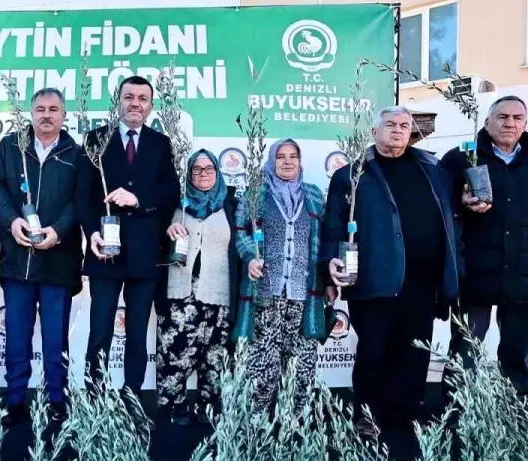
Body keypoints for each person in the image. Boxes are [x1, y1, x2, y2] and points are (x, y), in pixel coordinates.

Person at [323, 107, 461, 433]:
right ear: (374, 132)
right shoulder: (351, 175)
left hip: (423, 282)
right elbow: (333, 226)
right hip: (373, 281)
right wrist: (329, 263)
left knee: (414, 352)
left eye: (403, 125)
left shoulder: (433, 170)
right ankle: (368, 416)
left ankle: (406, 415)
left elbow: (452, 220)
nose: (398, 130)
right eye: (390, 124)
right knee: (373, 352)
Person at [440, 96, 528, 395]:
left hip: (526, 268)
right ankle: (456, 411)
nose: (510, 123)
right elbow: (438, 208)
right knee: (466, 348)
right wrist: (460, 203)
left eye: (517, 118)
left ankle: (516, 411)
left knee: (517, 352)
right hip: (475, 267)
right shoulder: (461, 158)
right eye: (502, 117)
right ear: (487, 122)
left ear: (525, 124)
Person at [0, 88, 86, 425]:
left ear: (64, 115)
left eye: (54, 109)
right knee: (16, 336)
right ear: (31, 113)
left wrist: (59, 230)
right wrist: (11, 221)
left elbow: (80, 200)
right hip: (17, 260)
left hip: (58, 259)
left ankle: (56, 399)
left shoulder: (77, 154)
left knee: (55, 338)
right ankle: (15, 399)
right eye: (40, 109)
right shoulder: (10, 146)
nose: (46, 115)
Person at [78, 75, 181, 396]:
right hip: (104, 253)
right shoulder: (95, 139)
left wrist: (138, 199)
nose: (135, 103)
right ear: (118, 101)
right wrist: (91, 233)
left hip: (146, 255)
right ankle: (94, 398)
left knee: (137, 334)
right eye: (129, 97)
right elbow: (82, 196)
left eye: (142, 98)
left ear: (151, 105)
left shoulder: (161, 143)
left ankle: (132, 399)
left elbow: (171, 193)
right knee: (99, 331)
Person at [236, 138, 327, 409]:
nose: (288, 162)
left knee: (301, 368)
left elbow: (323, 239)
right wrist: (250, 257)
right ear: (271, 160)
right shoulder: (256, 194)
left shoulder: (314, 195)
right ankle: (257, 424)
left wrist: (328, 280)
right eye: (281, 156)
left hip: (304, 293)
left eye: (293, 156)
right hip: (266, 293)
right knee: (263, 368)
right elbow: (241, 232)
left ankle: (296, 424)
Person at [158, 149, 241, 425]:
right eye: (196, 169)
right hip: (181, 294)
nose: (202, 174)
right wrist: (167, 230)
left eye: (208, 169)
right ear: (189, 174)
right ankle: (174, 408)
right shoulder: (175, 204)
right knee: (176, 354)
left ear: (218, 172)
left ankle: (209, 409)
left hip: (219, 294)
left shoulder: (231, 206)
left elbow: (242, 246)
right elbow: (157, 237)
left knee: (215, 358)